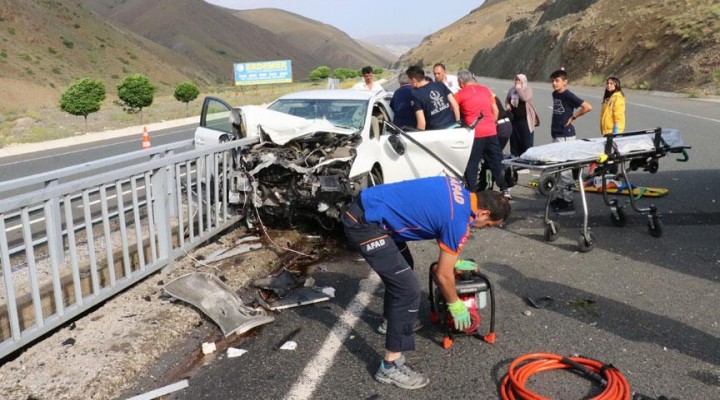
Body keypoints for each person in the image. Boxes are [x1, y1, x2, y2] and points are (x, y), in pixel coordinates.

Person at [342, 176, 511, 389]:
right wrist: (455, 304)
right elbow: (443, 275)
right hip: (364, 224)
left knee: (404, 266)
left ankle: (390, 322)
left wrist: (453, 264)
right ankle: (389, 366)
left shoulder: (455, 185)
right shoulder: (458, 220)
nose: (482, 228)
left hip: (369, 207)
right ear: (484, 212)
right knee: (408, 290)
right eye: (487, 224)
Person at [454, 70, 510, 197]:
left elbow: (453, 107)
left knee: (472, 162)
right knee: (496, 160)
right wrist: (491, 123)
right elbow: (495, 110)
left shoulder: (460, 94)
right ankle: (504, 189)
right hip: (490, 130)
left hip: (475, 133)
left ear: (461, 82)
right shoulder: (485, 90)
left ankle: (472, 190)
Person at [549, 68, 593, 214]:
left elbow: (587, 107)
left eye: (557, 81)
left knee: (566, 171)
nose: (554, 83)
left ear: (565, 82)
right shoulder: (555, 94)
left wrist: (574, 117)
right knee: (560, 170)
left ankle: (568, 202)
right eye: (553, 81)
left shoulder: (568, 95)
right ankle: (561, 198)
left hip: (566, 135)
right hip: (557, 134)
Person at [406, 65, 460, 130]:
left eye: (409, 80)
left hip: (437, 132)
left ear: (414, 80)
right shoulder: (439, 84)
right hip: (452, 126)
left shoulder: (416, 95)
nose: (409, 82)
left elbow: (422, 123)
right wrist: (457, 124)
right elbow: (455, 105)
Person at [505, 74, 539, 157]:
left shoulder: (528, 89)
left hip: (525, 120)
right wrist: (507, 105)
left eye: (519, 80)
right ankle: (515, 161)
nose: (517, 82)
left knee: (526, 142)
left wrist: (519, 89)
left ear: (523, 81)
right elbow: (507, 99)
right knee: (514, 141)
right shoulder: (512, 90)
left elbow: (525, 98)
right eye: (516, 80)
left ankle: (527, 161)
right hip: (514, 120)